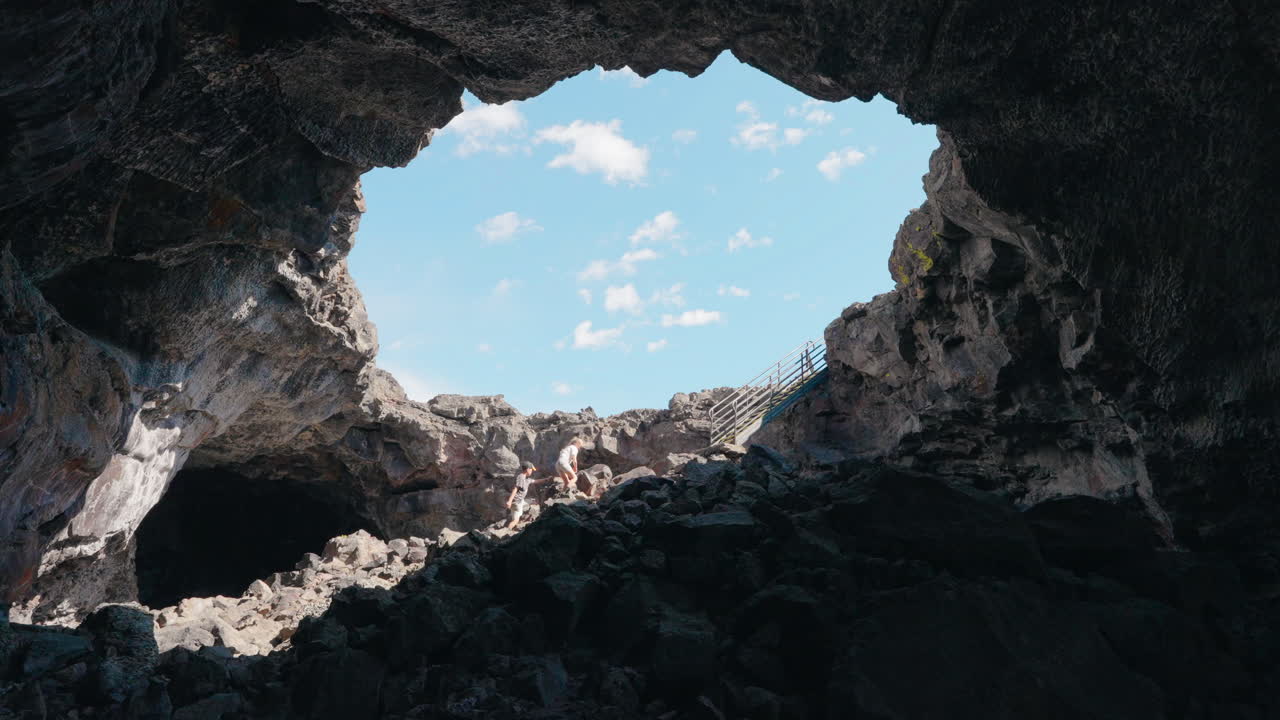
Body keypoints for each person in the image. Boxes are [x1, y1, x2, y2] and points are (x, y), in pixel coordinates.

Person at [504, 461, 547, 529]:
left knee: (534, 501)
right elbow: (515, 489)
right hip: (516, 502)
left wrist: (546, 479)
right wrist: (509, 501)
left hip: (521, 501)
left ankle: (522, 517)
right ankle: (506, 532)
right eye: (531, 470)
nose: (532, 471)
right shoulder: (521, 477)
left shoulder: (527, 479)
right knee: (515, 520)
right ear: (527, 469)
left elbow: (535, 481)